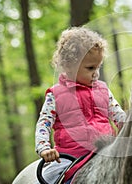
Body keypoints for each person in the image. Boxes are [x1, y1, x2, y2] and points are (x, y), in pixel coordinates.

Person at [35, 27, 126, 183]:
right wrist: (44, 148)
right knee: (48, 179)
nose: (96, 73)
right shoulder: (55, 95)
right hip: (69, 157)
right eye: (90, 68)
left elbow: (119, 116)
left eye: (98, 67)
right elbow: (44, 123)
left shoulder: (103, 90)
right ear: (69, 65)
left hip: (107, 152)